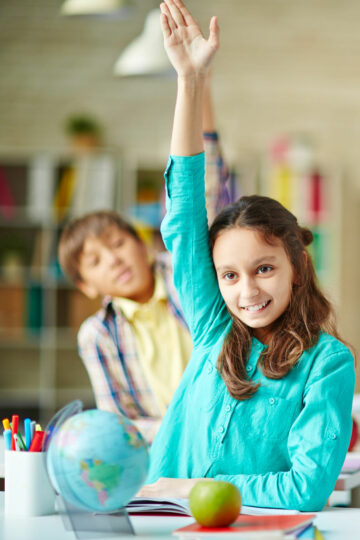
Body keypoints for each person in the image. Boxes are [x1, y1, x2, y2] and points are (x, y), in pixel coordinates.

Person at [136, 0, 354, 510]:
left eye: (264, 269)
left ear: (296, 267)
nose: (247, 291)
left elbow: (306, 490)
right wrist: (190, 83)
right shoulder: (213, 327)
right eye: (228, 276)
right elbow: (186, 214)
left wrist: (190, 490)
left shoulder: (328, 363)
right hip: (158, 523)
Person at [58, 76, 235, 444]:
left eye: (117, 243)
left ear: (141, 244)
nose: (112, 259)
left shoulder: (185, 271)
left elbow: (206, 180)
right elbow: (118, 423)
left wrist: (196, 80)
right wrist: (183, 430)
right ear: (85, 285)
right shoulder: (98, 334)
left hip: (237, 426)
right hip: (170, 452)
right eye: (94, 260)